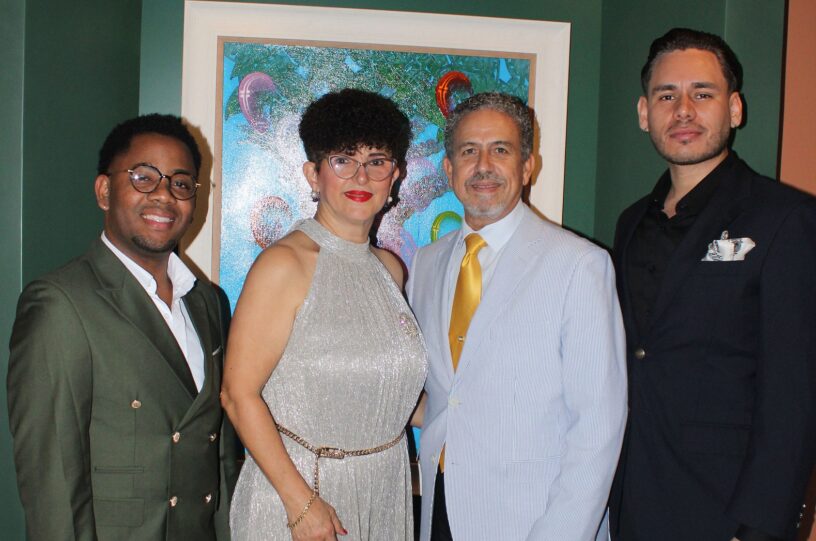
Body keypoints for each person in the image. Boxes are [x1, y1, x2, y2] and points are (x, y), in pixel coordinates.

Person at [609, 28, 816, 541]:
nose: (683, 110)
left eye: (702, 94)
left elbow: (794, 395)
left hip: (728, 514)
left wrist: (762, 527)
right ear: (644, 113)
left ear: (735, 109)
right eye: (667, 96)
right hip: (631, 501)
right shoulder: (630, 224)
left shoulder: (786, 218)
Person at [407, 92, 628, 541]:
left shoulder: (579, 266)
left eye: (501, 150)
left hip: (534, 521)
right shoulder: (425, 265)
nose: (483, 166)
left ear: (527, 167)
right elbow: (445, 396)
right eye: (469, 151)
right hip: (440, 511)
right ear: (449, 169)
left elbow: (598, 427)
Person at [7, 114, 240, 540]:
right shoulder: (61, 303)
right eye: (144, 178)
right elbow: (53, 484)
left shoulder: (206, 301)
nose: (164, 195)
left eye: (181, 183)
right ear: (104, 191)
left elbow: (219, 456)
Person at [221, 88, 427, 541]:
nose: (361, 175)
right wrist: (301, 504)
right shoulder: (285, 264)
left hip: (383, 491)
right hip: (301, 498)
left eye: (377, 161)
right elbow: (238, 394)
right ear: (313, 174)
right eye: (343, 160)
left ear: (394, 176)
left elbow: (392, 393)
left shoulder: (390, 269)